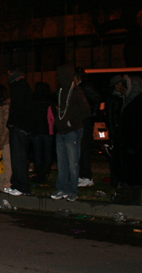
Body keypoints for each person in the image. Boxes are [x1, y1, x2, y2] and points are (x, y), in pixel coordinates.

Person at [50, 65, 90, 201]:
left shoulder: (76, 91)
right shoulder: (61, 91)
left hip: (72, 131)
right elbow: (61, 109)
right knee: (61, 162)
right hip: (61, 131)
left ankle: (73, 190)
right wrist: (59, 122)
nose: (58, 79)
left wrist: (71, 122)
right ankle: (62, 188)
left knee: (73, 163)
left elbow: (86, 111)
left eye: (60, 76)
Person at [115, 75, 142, 188]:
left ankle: (134, 185)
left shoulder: (137, 103)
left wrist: (133, 145)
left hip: (134, 143)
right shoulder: (129, 100)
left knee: (135, 165)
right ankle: (128, 182)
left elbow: (140, 126)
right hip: (128, 141)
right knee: (129, 164)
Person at [6, 66, 35, 196]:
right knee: (20, 157)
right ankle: (19, 184)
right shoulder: (26, 86)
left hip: (18, 126)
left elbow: (16, 108)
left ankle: (21, 186)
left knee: (18, 158)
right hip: (24, 127)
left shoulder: (18, 87)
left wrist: (11, 123)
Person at [75, 68, 101, 187]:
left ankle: (87, 176)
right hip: (83, 121)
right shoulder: (81, 87)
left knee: (84, 148)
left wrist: (91, 115)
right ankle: (81, 175)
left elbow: (96, 98)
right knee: (80, 149)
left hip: (86, 122)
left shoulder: (84, 87)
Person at [30, 82, 55, 183]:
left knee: (37, 154)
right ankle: (45, 174)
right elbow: (52, 118)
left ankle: (39, 175)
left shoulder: (33, 102)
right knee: (47, 154)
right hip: (47, 131)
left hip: (36, 131)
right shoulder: (49, 102)